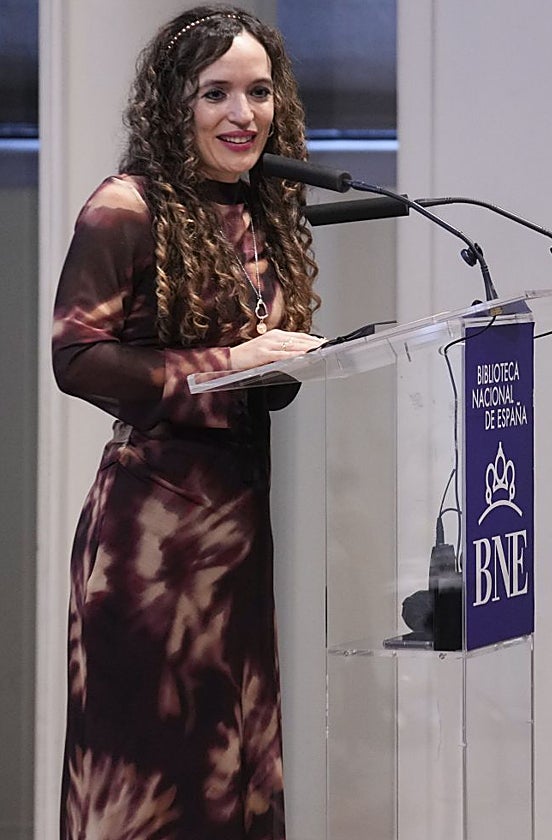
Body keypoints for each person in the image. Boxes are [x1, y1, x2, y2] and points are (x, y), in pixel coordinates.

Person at [51, 6, 324, 837]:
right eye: (217, 94)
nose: (244, 115)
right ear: (176, 104)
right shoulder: (125, 205)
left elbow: (252, 377)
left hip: (237, 531)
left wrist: (286, 366)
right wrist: (231, 364)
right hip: (151, 542)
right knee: (156, 780)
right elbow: (78, 359)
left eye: (259, 92)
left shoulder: (261, 212)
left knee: (230, 770)